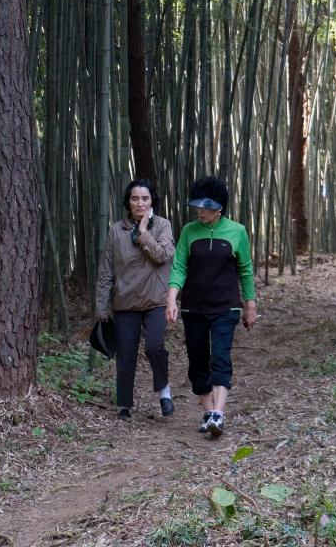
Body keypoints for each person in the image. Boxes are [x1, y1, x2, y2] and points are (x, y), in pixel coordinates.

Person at [166, 175, 257, 437]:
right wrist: (172, 298)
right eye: (197, 205)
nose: (200, 210)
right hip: (193, 307)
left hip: (225, 307)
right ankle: (208, 412)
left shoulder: (237, 231)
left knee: (220, 356)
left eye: (205, 206)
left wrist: (250, 305)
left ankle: (219, 412)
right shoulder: (188, 231)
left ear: (219, 208)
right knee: (197, 360)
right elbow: (180, 266)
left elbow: (245, 270)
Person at [95, 178, 176, 420]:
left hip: (156, 300)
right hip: (125, 302)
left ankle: (164, 392)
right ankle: (124, 405)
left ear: (152, 201)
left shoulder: (162, 226)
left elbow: (163, 256)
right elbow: (106, 271)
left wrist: (143, 233)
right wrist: (101, 306)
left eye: (145, 198)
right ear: (127, 202)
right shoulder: (115, 231)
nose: (139, 203)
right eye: (134, 198)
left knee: (154, 346)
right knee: (126, 354)